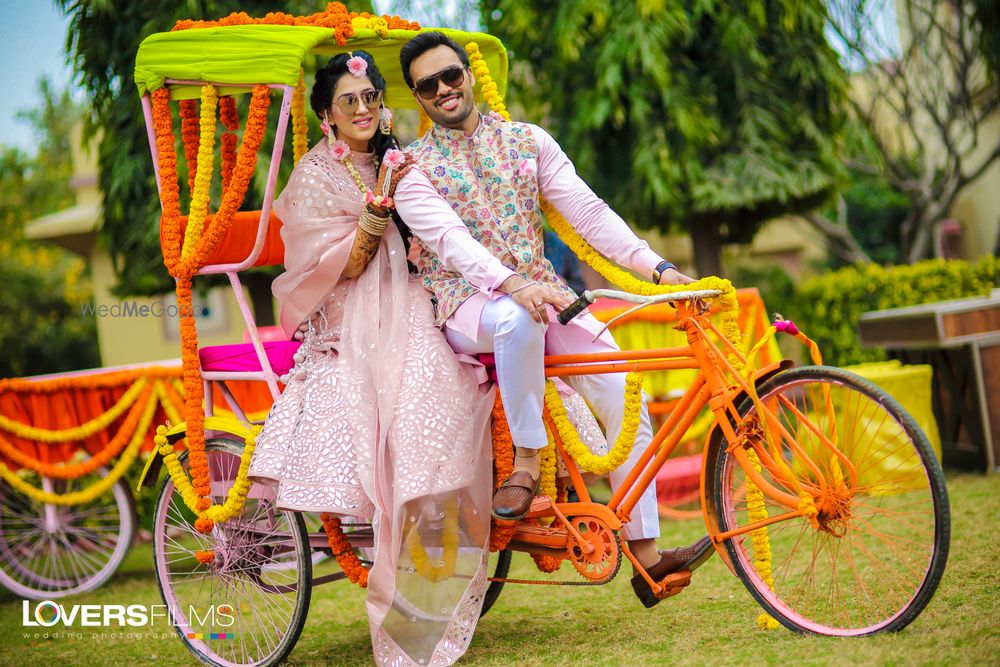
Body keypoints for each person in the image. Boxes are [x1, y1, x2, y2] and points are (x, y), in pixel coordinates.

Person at [394, 32, 712, 608]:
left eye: (451, 75)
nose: (444, 89)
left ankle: (645, 557)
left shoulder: (526, 141)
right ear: (418, 97)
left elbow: (589, 213)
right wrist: (515, 285)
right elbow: (451, 242)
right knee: (516, 318)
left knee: (623, 389)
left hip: (546, 297)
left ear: (469, 73)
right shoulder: (412, 168)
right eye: (428, 84)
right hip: (468, 307)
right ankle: (528, 460)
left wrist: (660, 270)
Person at [247, 51, 495, 666]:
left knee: (441, 426)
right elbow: (340, 267)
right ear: (327, 116)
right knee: (398, 440)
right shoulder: (314, 178)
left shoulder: (404, 160)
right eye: (348, 101)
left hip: (413, 305)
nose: (363, 109)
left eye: (371, 97)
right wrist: (377, 211)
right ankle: (404, 621)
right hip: (353, 318)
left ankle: (423, 615)